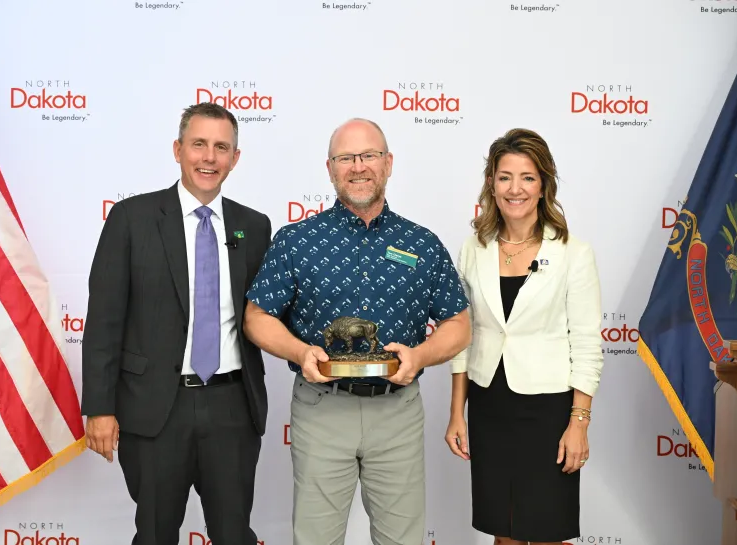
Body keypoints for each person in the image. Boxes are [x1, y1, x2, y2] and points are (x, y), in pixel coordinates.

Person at [243, 118, 472, 545]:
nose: (358, 166)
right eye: (346, 158)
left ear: (388, 164)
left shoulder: (421, 243)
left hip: (398, 412)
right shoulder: (297, 240)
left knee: (402, 539)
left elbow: (458, 324)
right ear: (330, 169)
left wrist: (420, 357)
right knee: (315, 539)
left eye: (368, 156)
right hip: (322, 409)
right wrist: (299, 352)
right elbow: (257, 316)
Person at [80, 102, 271, 545]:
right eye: (199, 144)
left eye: (221, 147)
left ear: (235, 159)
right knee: (154, 534)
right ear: (177, 149)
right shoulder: (132, 219)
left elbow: (268, 314)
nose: (209, 157)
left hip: (232, 408)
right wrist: (100, 407)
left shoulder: (254, 226)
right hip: (154, 411)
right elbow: (105, 321)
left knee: (233, 535)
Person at [445, 128, 604, 545]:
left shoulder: (573, 251)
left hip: (549, 411)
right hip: (489, 405)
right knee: (505, 531)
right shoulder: (473, 247)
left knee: (550, 531)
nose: (515, 188)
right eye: (504, 177)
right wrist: (457, 412)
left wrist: (579, 422)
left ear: (543, 185)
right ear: (492, 185)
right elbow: (462, 335)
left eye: (527, 178)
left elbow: (587, 344)